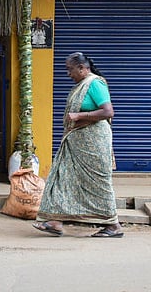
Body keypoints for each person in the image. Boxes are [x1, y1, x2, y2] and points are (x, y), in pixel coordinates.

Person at [32, 52, 123, 238]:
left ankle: (113, 226)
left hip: (93, 144)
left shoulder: (95, 83)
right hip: (76, 143)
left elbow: (108, 112)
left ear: (82, 68)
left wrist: (79, 116)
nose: (68, 74)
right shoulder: (81, 84)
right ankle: (55, 221)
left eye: (70, 69)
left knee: (98, 183)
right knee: (62, 178)